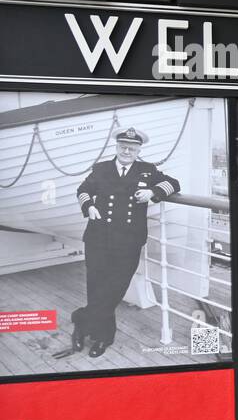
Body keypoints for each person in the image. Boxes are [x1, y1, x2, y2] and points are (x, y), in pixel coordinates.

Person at [71, 129, 180, 358]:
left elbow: (173, 183)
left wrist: (153, 192)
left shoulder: (147, 171)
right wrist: (88, 206)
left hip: (128, 242)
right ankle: (103, 337)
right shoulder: (101, 169)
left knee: (115, 288)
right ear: (117, 147)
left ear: (139, 150)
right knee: (97, 286)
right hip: (98, 238)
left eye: (132, 147)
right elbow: (83, 190)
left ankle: (81, 321)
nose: (127, 151)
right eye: (123, 146)